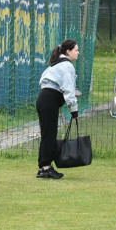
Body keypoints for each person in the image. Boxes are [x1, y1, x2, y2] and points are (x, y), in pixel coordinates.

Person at [36, 39, 80, 179]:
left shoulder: (56, 64)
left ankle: (44, 166)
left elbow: (45, 81)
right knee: (49, 134)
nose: (78, 53)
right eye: (76, 50)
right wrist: (74, 108)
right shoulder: (67, 66)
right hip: (49, 99)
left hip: (44, 97)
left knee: (47, 133)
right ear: (68, 51)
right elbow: (67, 88)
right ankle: (46, 167)